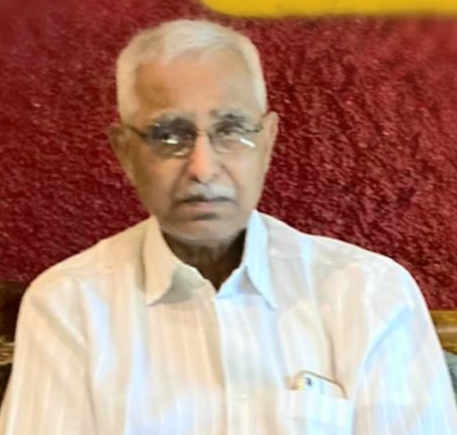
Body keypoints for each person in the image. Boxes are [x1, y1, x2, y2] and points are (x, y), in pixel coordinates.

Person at [0, 19, 456, 435]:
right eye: (169, 134)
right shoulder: (69, 304)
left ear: (268, 142)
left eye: (232, 129)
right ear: (125, 152)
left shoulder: (371, 294)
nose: (203, 168)